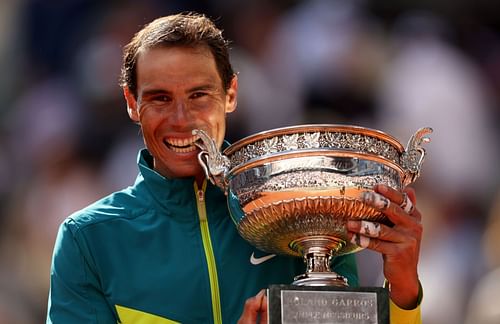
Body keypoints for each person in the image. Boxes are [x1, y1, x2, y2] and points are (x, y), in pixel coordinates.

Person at [46, 12, 423, 323]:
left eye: (199, 96)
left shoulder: (306, 205)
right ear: (131, 103)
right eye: (160, 99)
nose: (181, 120)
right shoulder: (89, 240)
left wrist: (404, 294)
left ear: (230, 95)